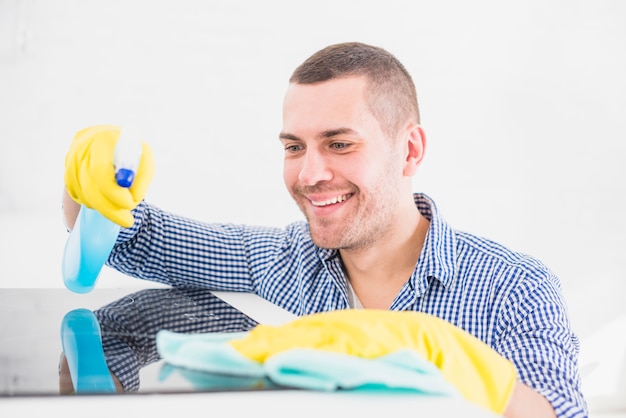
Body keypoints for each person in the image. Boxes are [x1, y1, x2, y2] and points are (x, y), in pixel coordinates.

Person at [62, 42, 587, 417]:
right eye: (294, 147)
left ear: (410, 150)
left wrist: (447, 358)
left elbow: (561, 413)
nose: (309, 174)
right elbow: (132, 236)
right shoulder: (280, 261)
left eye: (339, 144)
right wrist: (91, 177)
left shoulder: (515, 288)